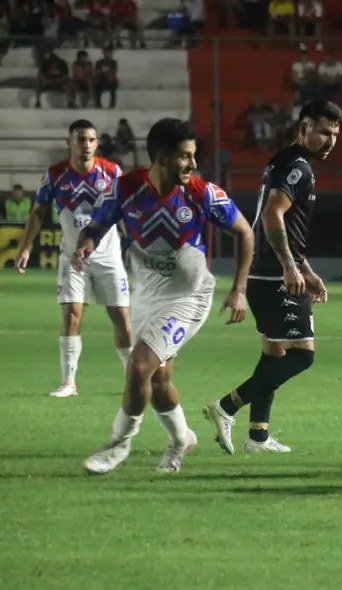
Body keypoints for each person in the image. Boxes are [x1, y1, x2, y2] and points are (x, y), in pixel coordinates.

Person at [78, 118, 255, 474]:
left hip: (189, 297)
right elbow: (98, 222)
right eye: (185, 156)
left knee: (139, 366)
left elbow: (245, 232)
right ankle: (181, 439)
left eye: (193, 156)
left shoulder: (202, 193)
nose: (192, 164)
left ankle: (118, 443)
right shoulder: (125, 188)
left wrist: (239, 289)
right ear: (161, 157)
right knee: (158, 380)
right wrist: (87, 241)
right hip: (146, 293)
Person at [203, 101, 342, 455]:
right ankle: (226, 406)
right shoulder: (298, 169)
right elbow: (271, 216)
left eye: (336, 134)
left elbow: (286, 225)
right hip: (272, 275)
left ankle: (259, 436)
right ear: (304, 128)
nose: (330, 140)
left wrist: (304, 268)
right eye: (324, 131)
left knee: (275, 353)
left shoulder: (285, 162)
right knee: (302, 356)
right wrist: (289, 267)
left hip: (265, 271)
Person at [13, 120, 131, 398]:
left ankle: (132, 378)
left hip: (109, 257)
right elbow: (38, 212)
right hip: (72, 259)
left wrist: (134, 244)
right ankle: (68, 382)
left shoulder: (112, 172)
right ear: (69, 143)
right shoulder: (55, 175)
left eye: (91, 140)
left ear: (97, 143)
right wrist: (25, 247)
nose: (86, 145)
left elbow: (125, 210)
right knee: (72, 315)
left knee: (121, 318)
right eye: (80, 140)